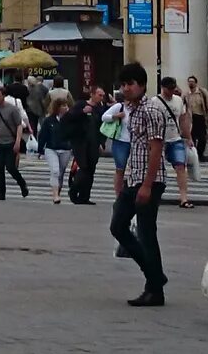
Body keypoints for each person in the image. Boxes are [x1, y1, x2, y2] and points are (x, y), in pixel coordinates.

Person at [109, 63, 171, 306]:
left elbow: (156, 149)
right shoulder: (131, 109)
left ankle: (154, 289)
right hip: (133, 178)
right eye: (123, 84)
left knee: (147, 234)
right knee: (118, 225)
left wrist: (147, 185)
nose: (126, 88)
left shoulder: (151, 110)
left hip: (149, 180)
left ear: (142, 85)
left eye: (130, 84)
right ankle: (155, 275)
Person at [65, 84, 105, 205]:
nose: (101, 97)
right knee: (84, 167)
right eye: (99, 95)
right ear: (92, 94)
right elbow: (69, 118)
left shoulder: (98, 109)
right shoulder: (81, 105)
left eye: (103, 95)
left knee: (91, 170)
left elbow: (101, 126)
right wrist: (82, 112)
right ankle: (73, 189)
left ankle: (84, 196)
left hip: (93, 143)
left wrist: (101, 142)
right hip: (80, 143)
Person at [0, 83, 30, 199]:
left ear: (4, 96)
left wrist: (17, 141)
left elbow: (19, 126)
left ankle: (22, 184)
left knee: (11, 167)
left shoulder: (12, 109)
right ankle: (1, 193)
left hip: (10, 142)